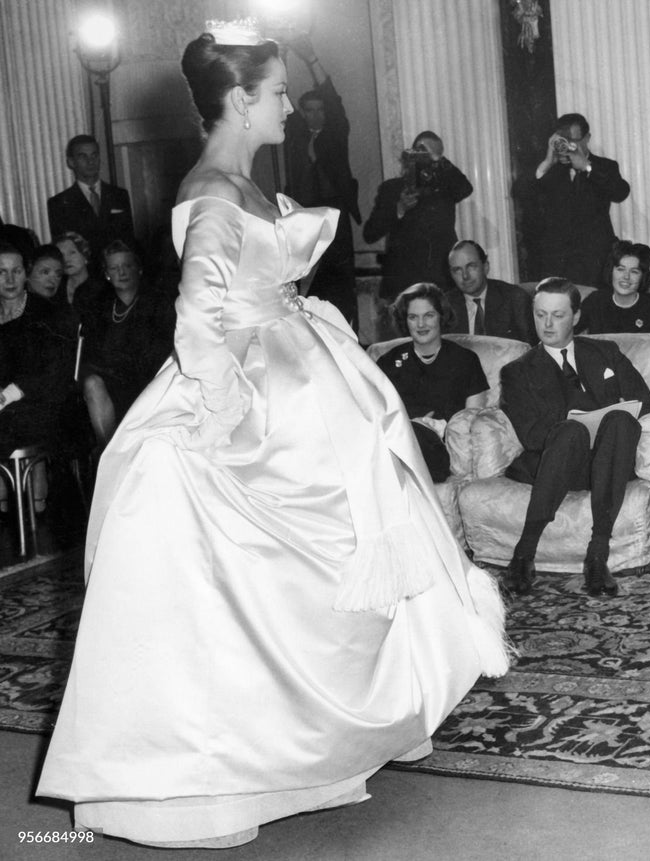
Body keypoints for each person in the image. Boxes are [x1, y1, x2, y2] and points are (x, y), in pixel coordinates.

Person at [37, 24, 509, 849]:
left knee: (344, 552)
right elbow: (198, 319)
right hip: (253, 397)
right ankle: (230, 771)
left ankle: (332, 741)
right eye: (280, 92)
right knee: (247, 586)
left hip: (300, 373)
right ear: (241, 99)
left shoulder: (246, 179)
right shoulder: (214, 192)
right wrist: (227, 417)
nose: (292, 105)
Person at [501, 277, 650, 598]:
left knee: (619, 421)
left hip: (608, 461)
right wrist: (579, 423)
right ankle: (524, 553)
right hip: (557, 463)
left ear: (575, 316)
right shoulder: (518, 371)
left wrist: (603, 421)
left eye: (557, 315)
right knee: (572, 430)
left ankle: (597, 556)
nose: (547, 324)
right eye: (540, 314)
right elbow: (532, 436)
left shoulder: (605, 353)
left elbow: (643, 402)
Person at [282, 35, 361, 330]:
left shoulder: (335, 135)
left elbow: (332, 97)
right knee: (307, 286)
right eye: (309, 110)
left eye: (320, 109)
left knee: (341, 288)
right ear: (302, 114)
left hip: (336, 219)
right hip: (305, 219)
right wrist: (281, 54)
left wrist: (311, 58)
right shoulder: (296, 134)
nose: (315, 114)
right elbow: (281, 96)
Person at [376, 282, 488, 482]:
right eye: (413, 317)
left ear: (441, 317)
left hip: (441, 451)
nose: (421, 325)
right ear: (405, 320)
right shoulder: (388, 362)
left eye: (429, 315)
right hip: (396, 445)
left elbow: (474, 417)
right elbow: (377, 415)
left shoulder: (465, 360)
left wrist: (433, 427)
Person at [0, 243, 76, 513]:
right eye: (2, 272)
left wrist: (9, 394)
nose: (9, 279)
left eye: (16, 271)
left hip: (42, 403)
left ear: (26, 273)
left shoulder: (46, 313)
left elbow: (53, 372)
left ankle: (32, 507)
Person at [77, 241, 175, 446]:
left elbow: (160, 354)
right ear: (106, 274)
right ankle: (109, 451)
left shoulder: (158, 303)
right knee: (92, 384)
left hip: (149, 383)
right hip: (112, 386)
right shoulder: (101, 308)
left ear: (138, 269)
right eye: (114, 268)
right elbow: (91, 356)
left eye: (127, 266)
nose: (121, 273)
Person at [364, 131, 473, 300]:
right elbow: (370, 233)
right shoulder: (391, 189)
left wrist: (440, 161)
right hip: (404, 283)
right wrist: (399, 209)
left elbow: (466, 188)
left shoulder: (446, 187)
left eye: (430, 156)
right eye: (420, 153)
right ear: (411, 156)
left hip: (442, 281)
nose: (425, 160)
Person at [532, 113, 631, 287]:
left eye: (574, 140)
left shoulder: (605, 166)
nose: (569, 146)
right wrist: (548, 161)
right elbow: (522, 191)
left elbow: (620, 193)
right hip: (558, 266)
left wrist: (587, 167)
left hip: (595, 264)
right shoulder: (553, 170)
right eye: (563, 140)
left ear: (587, 138)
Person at [47, 134, 136, 258]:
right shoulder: (59, 203)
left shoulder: (119, 195)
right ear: (71, 162)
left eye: (94, 155)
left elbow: (129, 240)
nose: (90, 161)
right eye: (83, 156)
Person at [444, 239, 534, 342]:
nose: (465, 276)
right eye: (457, 270)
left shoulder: (515, 299)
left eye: (471, 266)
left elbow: (530, 350)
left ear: (485, 267)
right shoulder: (444, 306)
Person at [577, 239, 650, 334]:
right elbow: (568, 333)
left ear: (642, 277)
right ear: (611, 271)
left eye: (634, 271)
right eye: (620, 269)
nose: (626, 276)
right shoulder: (595, 301)